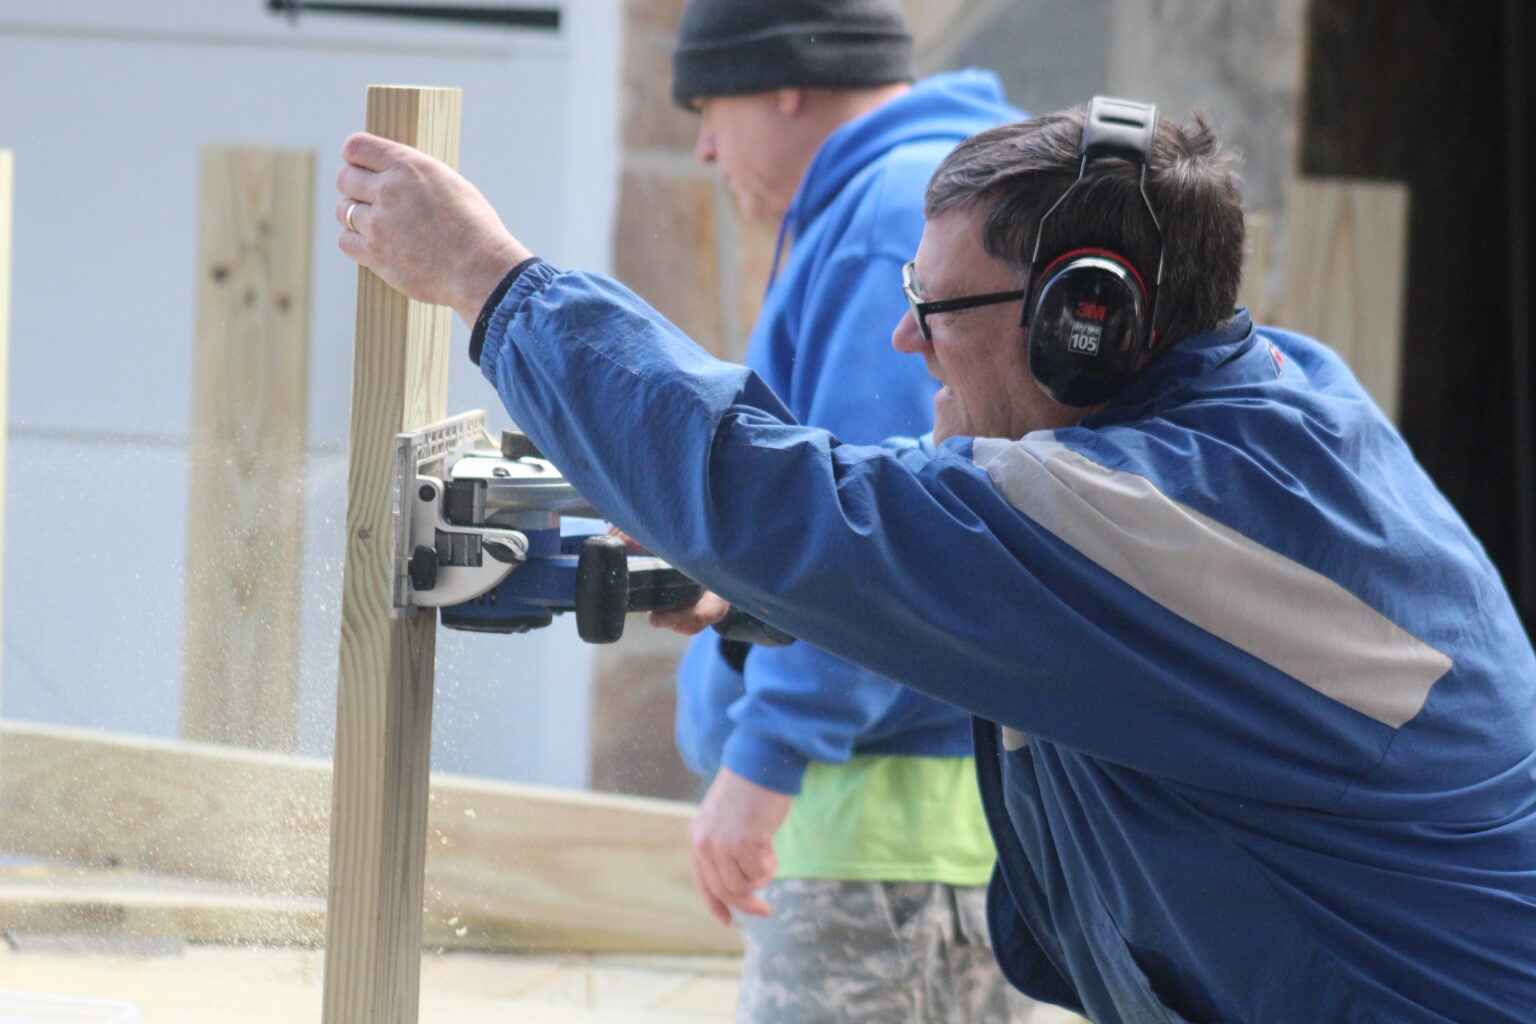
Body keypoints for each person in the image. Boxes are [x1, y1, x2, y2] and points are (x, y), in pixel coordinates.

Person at [335, 94, 1536, 1024]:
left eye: (940, 305)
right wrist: (770, 595)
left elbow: (784, 499)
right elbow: (1036, 603)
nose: (908, 337)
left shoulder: (1166, 516)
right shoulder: (1273, 407)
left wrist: (494, 285)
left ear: (1086, 320)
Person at [662, 2, 1038, 1020]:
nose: (701, 145)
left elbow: (880, 530)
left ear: (789, 77)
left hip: (884, 840)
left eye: (708, 104)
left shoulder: (890, 219)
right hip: (941, 827)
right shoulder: (937, 194)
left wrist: (766, 757)